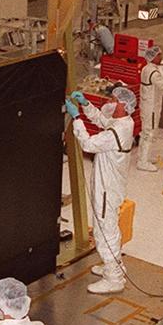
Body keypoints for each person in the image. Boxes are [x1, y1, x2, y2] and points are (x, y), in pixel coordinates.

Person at [68, 85, 136, 293]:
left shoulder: (119, 130)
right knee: (108, 226)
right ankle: (115, 265)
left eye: (114, 99)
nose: (110, 102)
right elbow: (102, 121)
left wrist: (77, 118)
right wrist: (86, 105)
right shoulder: (123, 122)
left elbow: (87, 144)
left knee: (105, 230)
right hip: (109, 186)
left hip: (107, 189)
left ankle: (114, 277)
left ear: (123, 105)